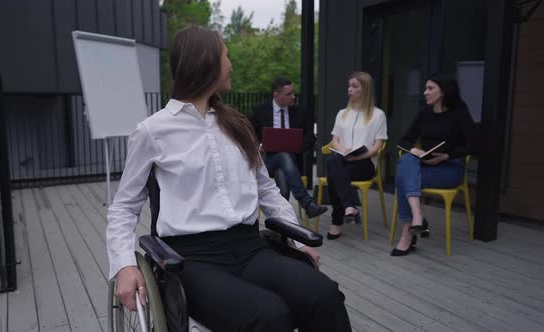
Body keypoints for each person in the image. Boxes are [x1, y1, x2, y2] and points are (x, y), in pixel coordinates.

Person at [106, 25, 352, 331]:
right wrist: (125, 264)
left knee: (324, 294)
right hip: (192, 260)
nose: (231, 63)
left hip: (251, 249)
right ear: (206, 62)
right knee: (269, 315)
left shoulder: (238, 125)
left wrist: (297, 241)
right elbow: (124, 207)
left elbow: (267, 190)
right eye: (227, 55)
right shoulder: (153, 131)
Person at [391, 74, 478, 256]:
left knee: (402, 177)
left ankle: (408, 232)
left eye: (430, 88)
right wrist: (416, 151)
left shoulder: (459, 113)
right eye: (425, 88)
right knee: (407, 159)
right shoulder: (425, 112)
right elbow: (404, 140)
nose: (425, 92)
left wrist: (447, 155)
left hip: (450, 168)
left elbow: (475, 144)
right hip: (425, 165)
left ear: (443, 91)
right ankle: (416, 216)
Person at [250, 77, 328, 218]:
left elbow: (310, 137)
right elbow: (249, 135)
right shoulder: (260, 111)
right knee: (283, 156)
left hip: (291, 163)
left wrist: (297, 146)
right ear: (276, 95)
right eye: (289, 94)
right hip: (267, 162)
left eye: (293, 93)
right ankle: (306, 202)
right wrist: (260, 145)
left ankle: (281, 220)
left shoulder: (300, 112)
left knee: (282, 172)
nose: (293, 97)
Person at [326, 72, 388, 240]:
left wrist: (358, 157)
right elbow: (334, 141)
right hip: (343, 159)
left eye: (354, 86)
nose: (349, 89)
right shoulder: (342, 113)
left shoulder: (378, 115)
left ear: (365, 89)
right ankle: (349, 207)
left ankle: (337, 221)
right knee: (334, 162)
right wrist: (344, 150)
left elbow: (378, 146)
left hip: (365, 163)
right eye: (349, 86)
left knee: (334, 172)